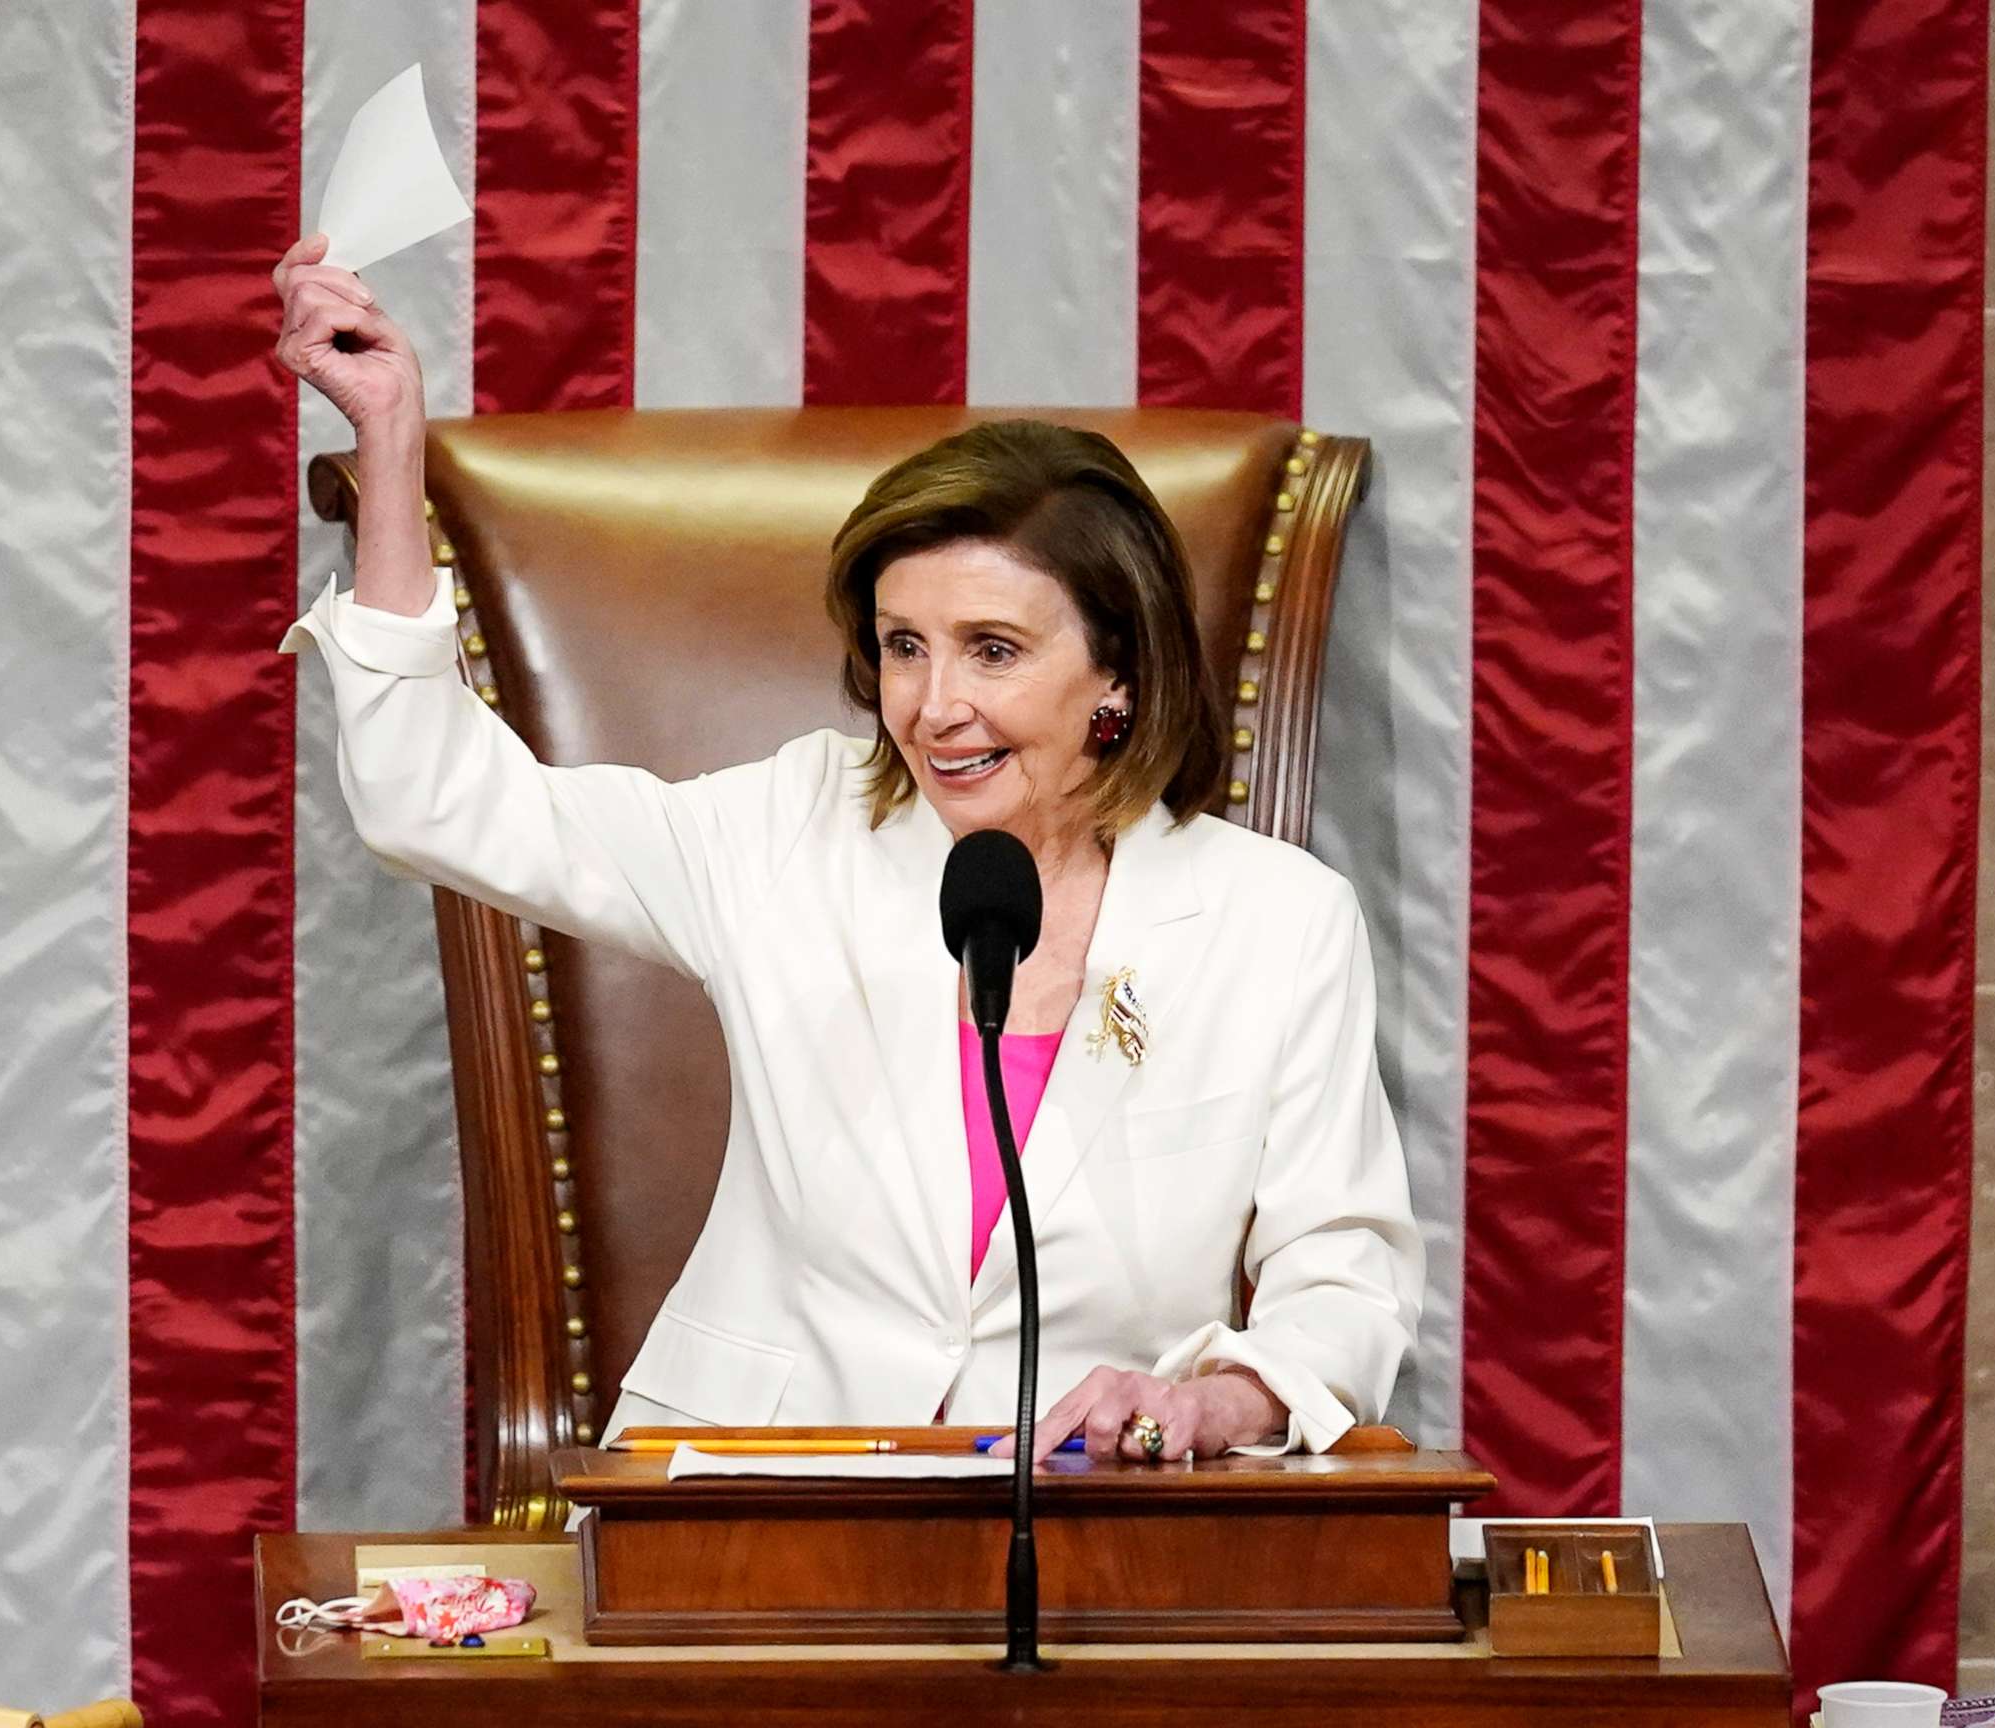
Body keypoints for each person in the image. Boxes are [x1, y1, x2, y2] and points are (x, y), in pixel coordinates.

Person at [271, 233, 1422, 1463]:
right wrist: (391, 454)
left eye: (993, 648)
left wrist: (1221, 1398)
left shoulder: (1278, 922)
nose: (933, 706)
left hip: (1083, 1527)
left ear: (1119, 679)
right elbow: (433, 799)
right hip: (756, 1511)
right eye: (902, 645)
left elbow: (1341, 1276)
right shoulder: (789, 828)